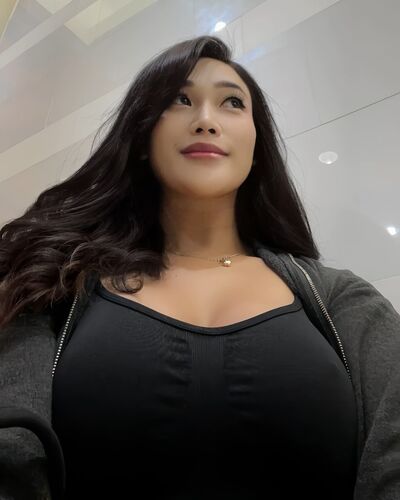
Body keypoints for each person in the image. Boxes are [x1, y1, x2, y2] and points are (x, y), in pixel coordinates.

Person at [0, 35, 399, 500]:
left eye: (232, 103)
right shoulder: (54, 287)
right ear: (143, 137)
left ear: (256, 144)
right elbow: (11, 454)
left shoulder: (343, 303)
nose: (206, 120)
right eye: (180, 100)